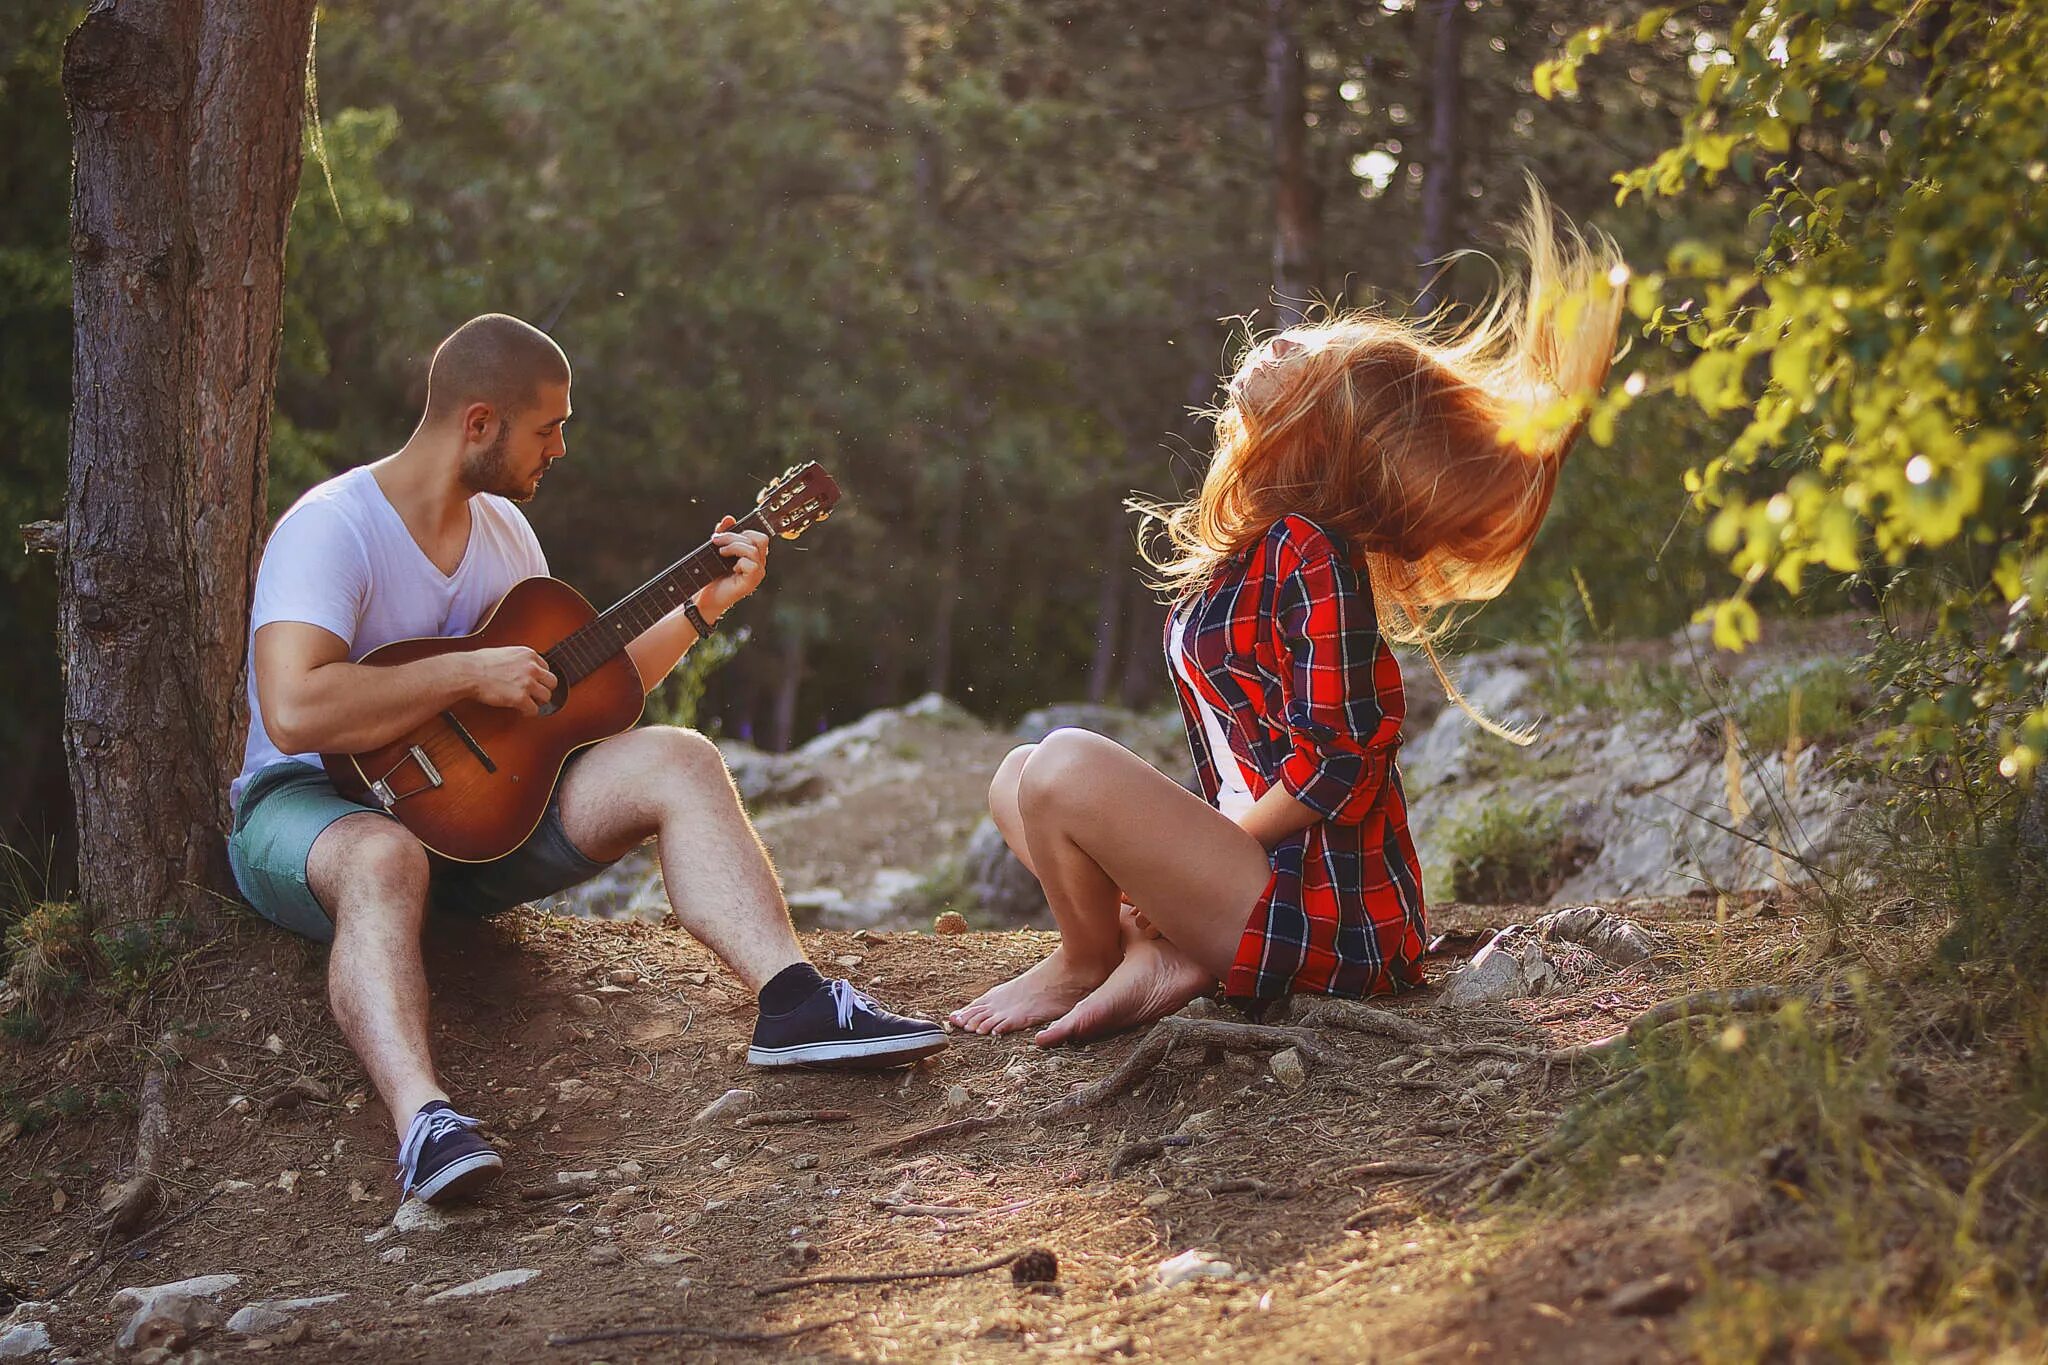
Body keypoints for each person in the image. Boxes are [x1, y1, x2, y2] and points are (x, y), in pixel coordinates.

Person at [228, 314, 945, 1205]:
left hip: (478, 823)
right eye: (549, 427)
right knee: (385, 854)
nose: (561, 447)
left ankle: (794, 1001)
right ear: (480, 422)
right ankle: (425, 1125)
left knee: (677, 757)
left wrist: (703, 607)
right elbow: (294, 709)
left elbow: (576, 695)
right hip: (313, 810)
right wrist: (470, 670)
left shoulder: (505, 539)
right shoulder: (332, 528)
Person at [953, 192, 1624, 1045]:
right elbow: (1245, 754)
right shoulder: (1251, 551)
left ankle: (1087, 961)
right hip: (1248, 882)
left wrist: (1211, 845)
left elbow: (1338, 758)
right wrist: (1170, 871)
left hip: (1322, 916)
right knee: (1017, 775)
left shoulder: (1314, 549)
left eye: (1307, 357)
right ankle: (1166, 956)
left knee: (1064, 766)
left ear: (1322, 433)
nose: (1281, 339)